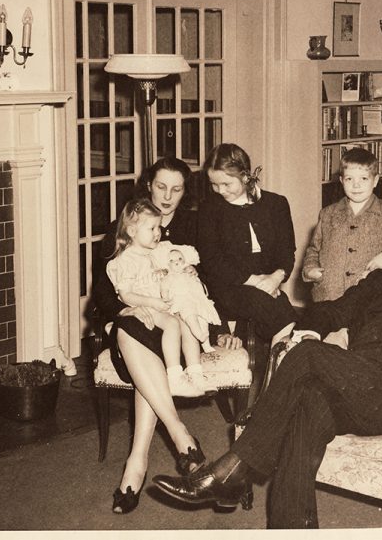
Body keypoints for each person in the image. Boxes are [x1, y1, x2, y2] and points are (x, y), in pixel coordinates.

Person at [153, 214, 382, 529]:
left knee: (308, 357)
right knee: (307, 402)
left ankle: (233, 471)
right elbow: (330, 311)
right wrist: (309, 329)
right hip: (353, 385)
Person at [92, 157, 241, 515]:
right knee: (130, 330)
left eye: (176, 189)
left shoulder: (193, 228)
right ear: (148, 185)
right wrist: (124, 309)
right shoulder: (123, 228)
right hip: (135, 324)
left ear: (185, 192)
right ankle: (183, 441)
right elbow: (103, 292)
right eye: (161, 187)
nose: (167, 196)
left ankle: (137, 463)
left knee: (146, 357)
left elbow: (209, 284)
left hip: (179, 327)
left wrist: (220, 329)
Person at [106, 198, 217, 398]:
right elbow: (125, 294)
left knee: (188, 324)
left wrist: (188, 268)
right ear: (132, 231)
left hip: (163, 304)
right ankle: (174, 377)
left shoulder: (158, 251)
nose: (158, 232)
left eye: (159, 227)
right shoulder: (126, 260)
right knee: (174, 324)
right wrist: (153, 302)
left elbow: (184, 258)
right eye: (152, 228)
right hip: (143, 307)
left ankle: (195, 372)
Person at [198, 143, 298, 345]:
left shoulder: (276, 204)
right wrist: (257, 282)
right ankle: (277, 373)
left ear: (245, 176)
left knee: (283, 317)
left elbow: (287, 252)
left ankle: (275, 371)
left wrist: (275, 278)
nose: (220, 191)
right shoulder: (209, 209)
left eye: (226, 184)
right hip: (228, 289)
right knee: (286, 319)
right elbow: (212, 263)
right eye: (214, 184)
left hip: (268, 287)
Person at [303, 147, 382, 302]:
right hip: (329, 295)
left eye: (364, 179)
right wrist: (310, 270)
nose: (356, 185)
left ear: (375, 181)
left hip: (371, 298)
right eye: (349, 179)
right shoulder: (328, 213)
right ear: (341, 181)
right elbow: (313, 249)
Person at [160, 246, 221, 355]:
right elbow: (164, 288)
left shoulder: (189, 273)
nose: (177, 262)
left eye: (180, 258)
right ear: (168, 265)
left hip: (196, 300)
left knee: (203, 320)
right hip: (182, 302)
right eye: (172, 260)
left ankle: (206, 344)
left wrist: (194, 275)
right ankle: (199, 335)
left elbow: (199, 286)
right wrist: (165, 298)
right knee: (190, 316)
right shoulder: (170, 277)